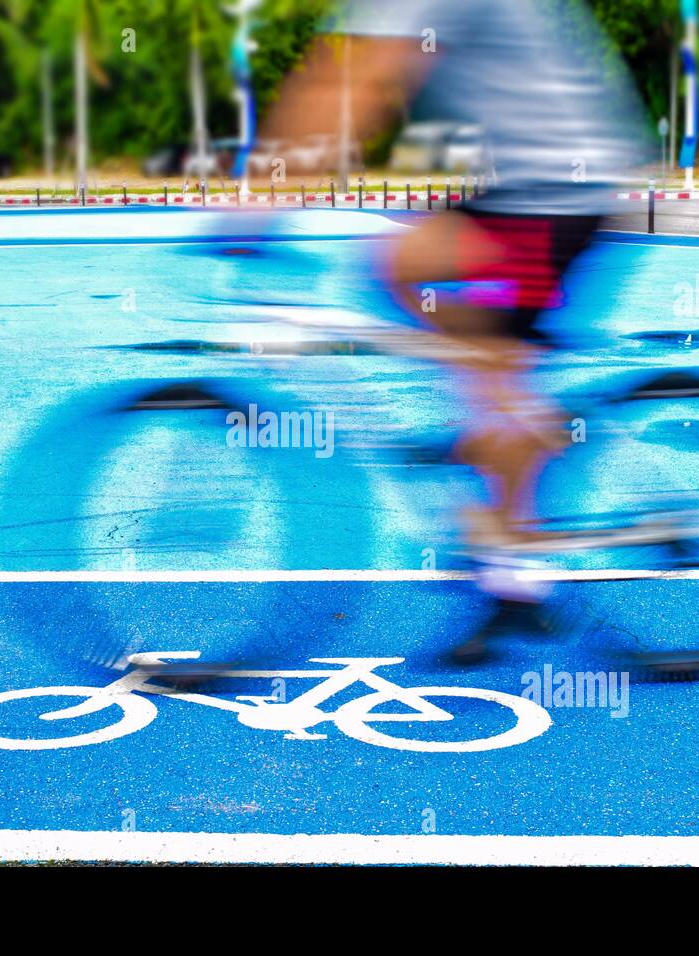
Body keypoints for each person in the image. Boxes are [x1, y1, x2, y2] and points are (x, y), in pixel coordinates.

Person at [261, 0, 649, 663]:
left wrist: (255, 206)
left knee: (445, 314)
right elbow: (340, 73)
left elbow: (356, 83)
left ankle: (519, 444)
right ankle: (513, 567)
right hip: (530, 187)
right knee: (423, 292)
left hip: (555, 195)